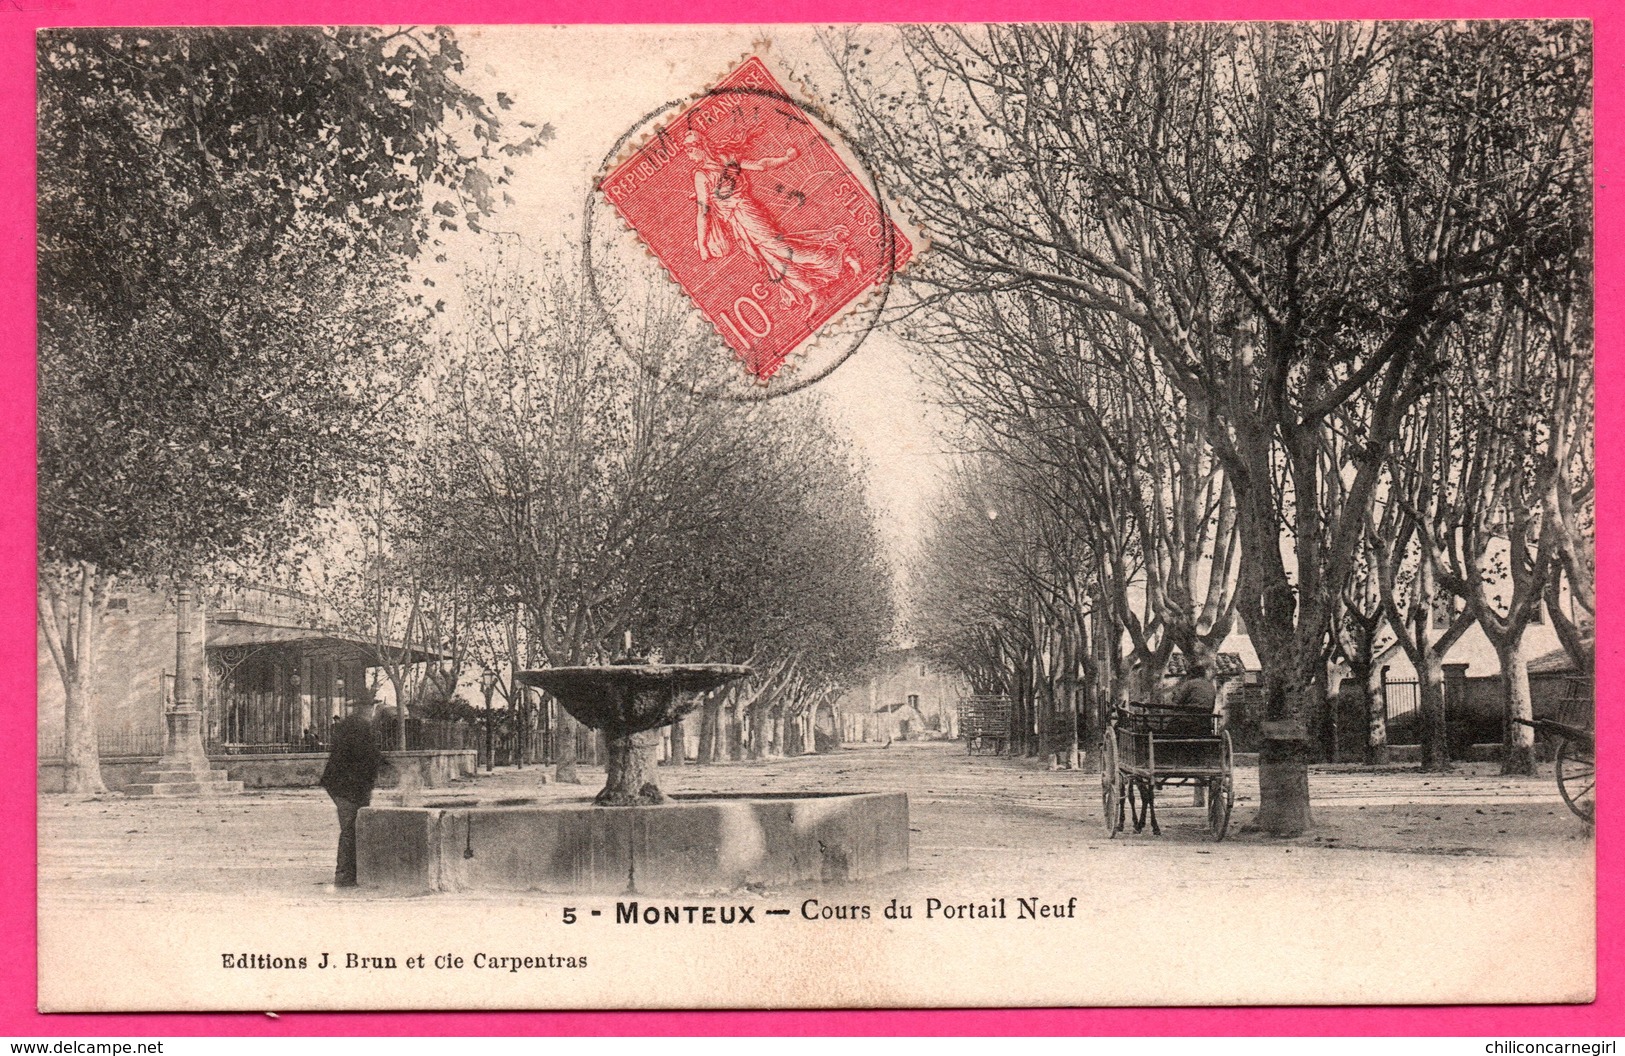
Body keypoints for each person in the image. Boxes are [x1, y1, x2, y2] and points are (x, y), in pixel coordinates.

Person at [683, 128, 860, 317]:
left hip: (747, 215)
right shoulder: (724, 159)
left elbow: (704, 211)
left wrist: (702, 245)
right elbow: (760, 165)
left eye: (689, 148)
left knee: (783, 251)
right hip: (740, 221)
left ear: (701, 146)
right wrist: (786, 158)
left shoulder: (702, 174)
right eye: (686, 149)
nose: (688, 153)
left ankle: (842, 255)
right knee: (772, 260)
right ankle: (814, 294)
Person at [319, 706, 385, 887]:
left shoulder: (352, 725)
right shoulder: (360, 727)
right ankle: (344, 876)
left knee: (352, 828)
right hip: (347, 788)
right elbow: (367, 756)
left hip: (343, 786)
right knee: (350, 829)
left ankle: (350, 873)